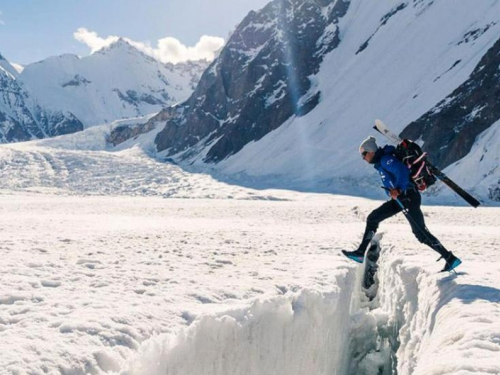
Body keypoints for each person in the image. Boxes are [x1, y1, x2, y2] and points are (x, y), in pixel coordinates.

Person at [342, 136, 462, 272]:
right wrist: (394, 192)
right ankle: (360, 253)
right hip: (401, 199)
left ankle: (450, 258)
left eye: (364, 154)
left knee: (420, 233)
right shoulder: (381, 162)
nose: (363, 158)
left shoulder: (386, 160)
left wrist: (398, 189)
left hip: (408, 197)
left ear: (371, 151)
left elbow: (403, 171)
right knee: (373, 218)